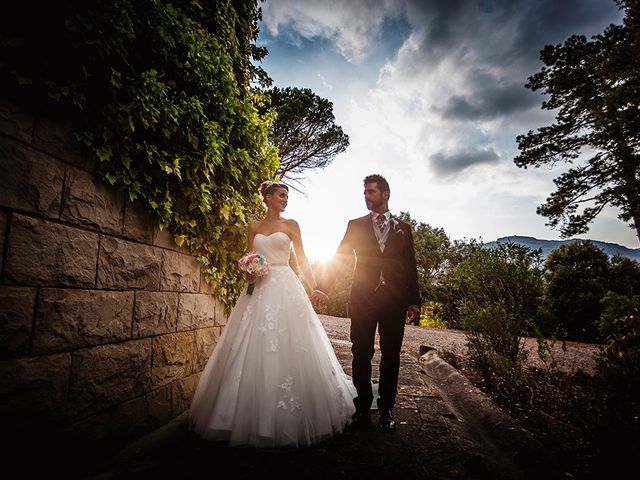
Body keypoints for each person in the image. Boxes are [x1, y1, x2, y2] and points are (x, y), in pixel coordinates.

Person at [189, 181, 356, 448]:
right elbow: (250, 256)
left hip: (286, 285)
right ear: (267, 198)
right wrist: (250, 269)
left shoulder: (292, 226)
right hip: (259, 288)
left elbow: (301, 259)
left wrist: (315, 287)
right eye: (281, 195)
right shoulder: (253, 227)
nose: (285, 200)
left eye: (287, 196)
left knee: (292, 341)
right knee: (249, 342)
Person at [312, 174, 420, 433]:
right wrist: (323, 287)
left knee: (391, 355)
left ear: (385, 194)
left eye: (371, 192)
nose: (366, 196)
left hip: (394, 300)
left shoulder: (403, 228)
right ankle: (362, 407)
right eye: (365, 193)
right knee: (361, 352)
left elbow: (410, 265)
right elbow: (340, 255)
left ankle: (387, 409)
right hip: (362, 298)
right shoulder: (356, 225)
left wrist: (414, 301)